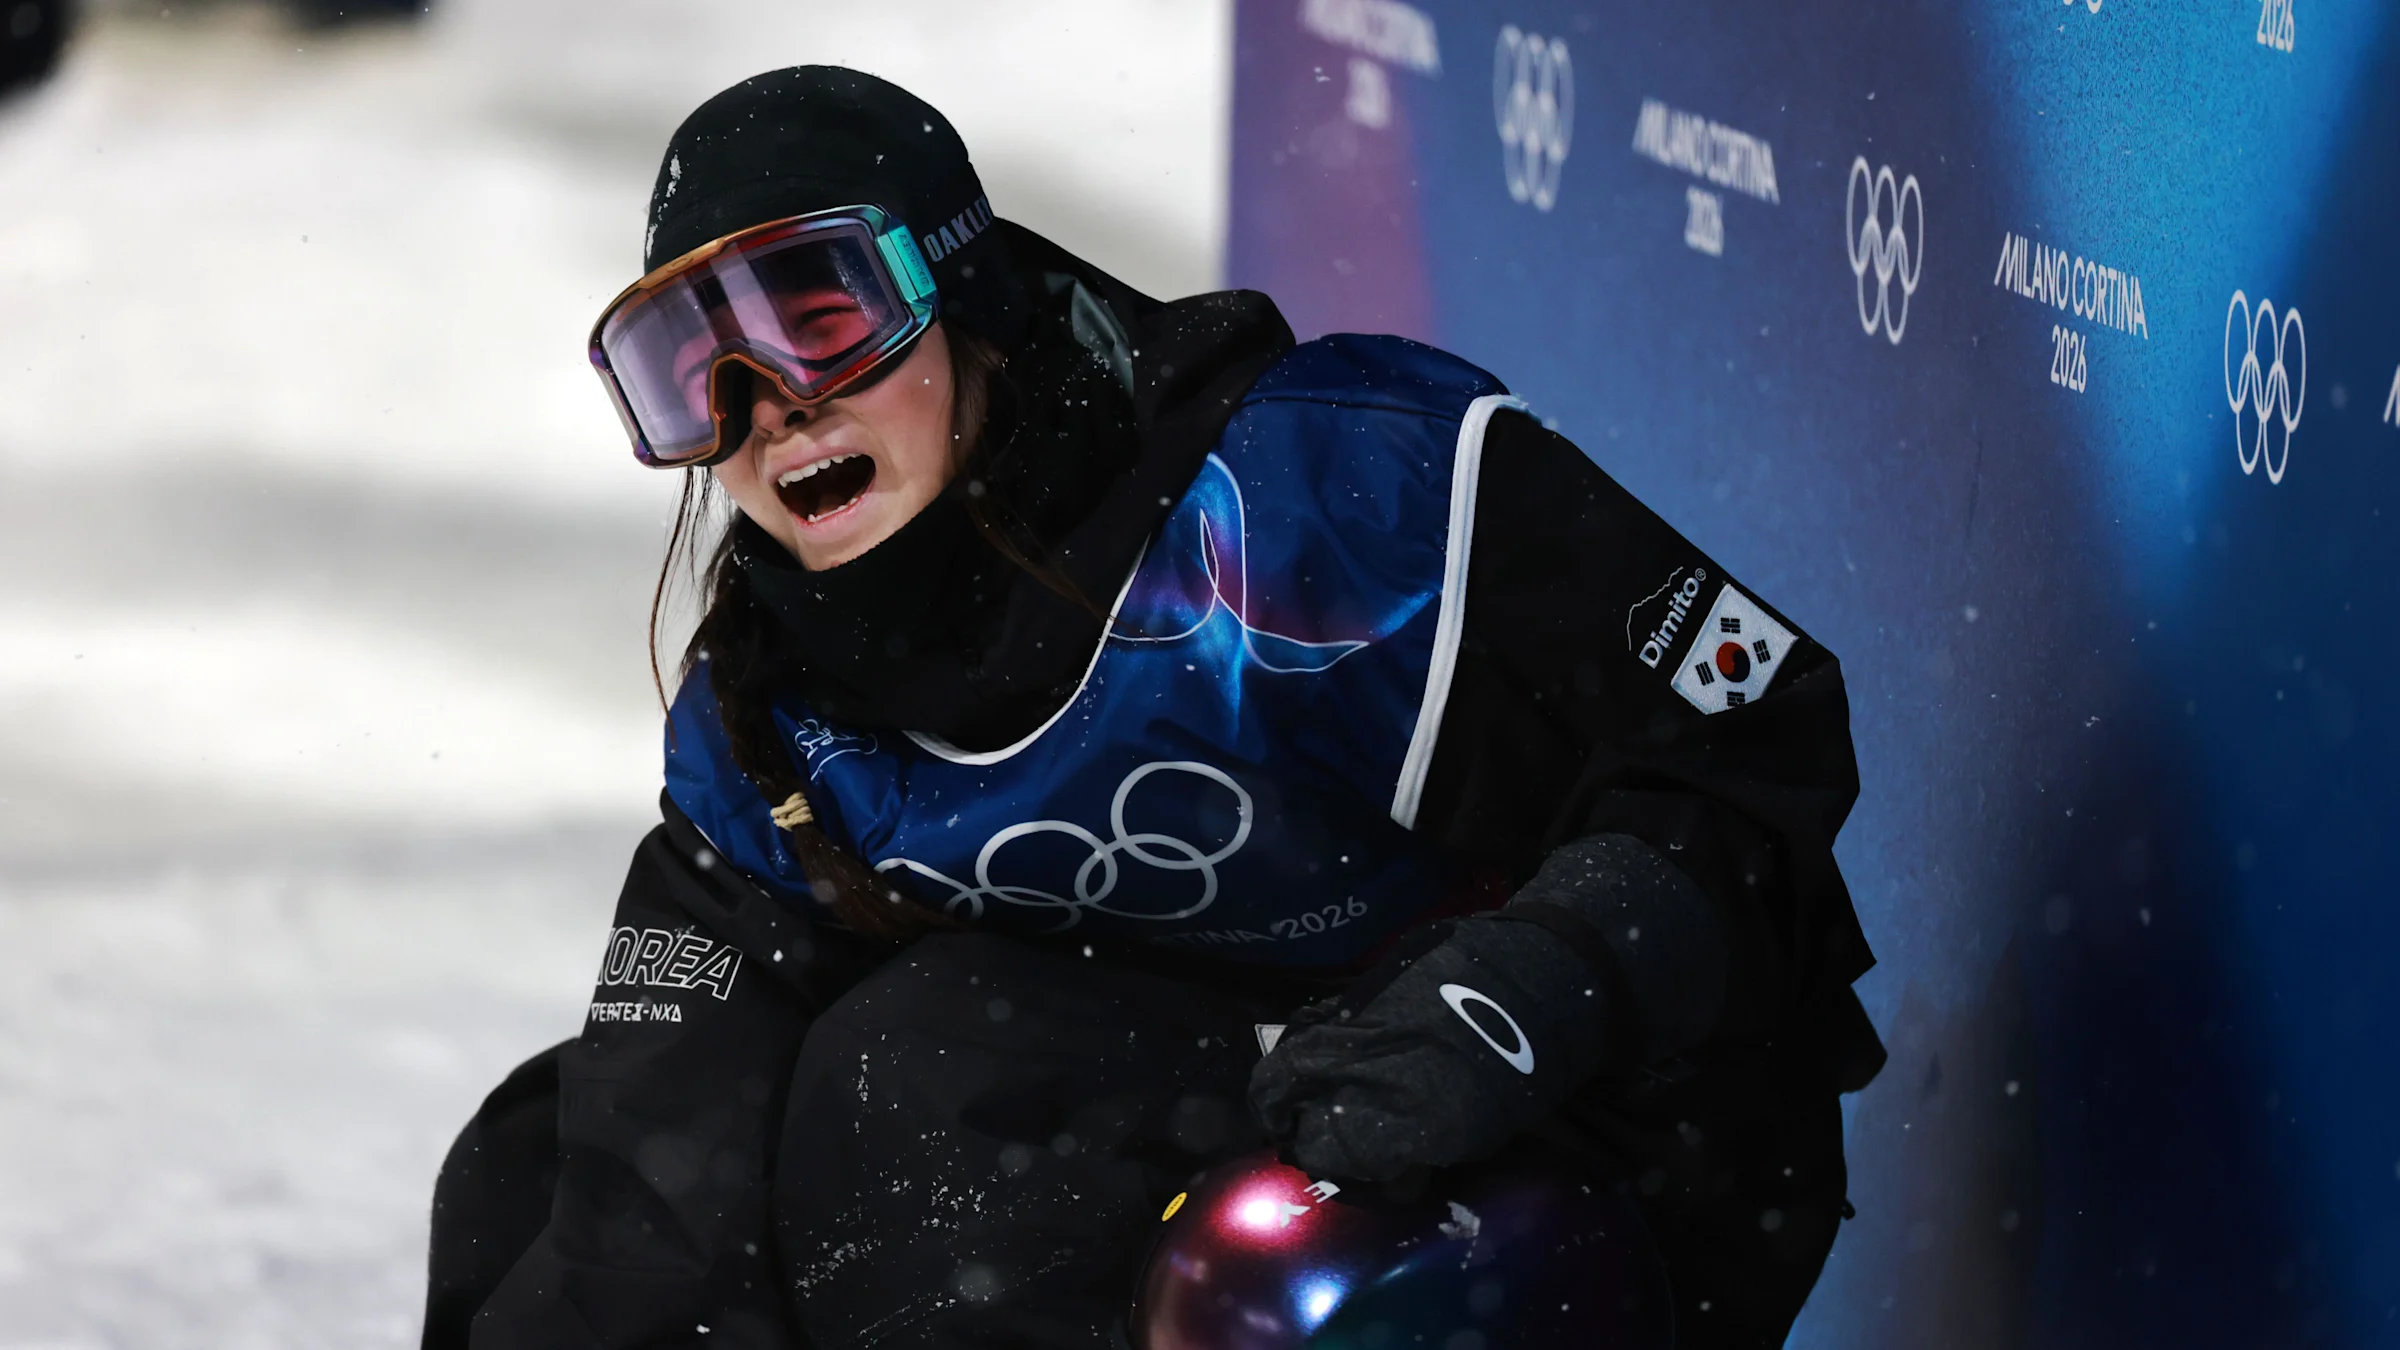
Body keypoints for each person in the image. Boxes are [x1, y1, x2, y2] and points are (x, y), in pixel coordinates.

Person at [422, 66, 1885, 1350]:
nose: (773, 407)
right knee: (544, 1162)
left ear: (962, 297)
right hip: (1190, 1131)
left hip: (1570, 1149)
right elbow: (655, 1153)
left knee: (930, 1084)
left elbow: (1755, 739)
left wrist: (1520, 993)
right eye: (696, 373)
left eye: (820, 320)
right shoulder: (771, 715)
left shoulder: (1335, 497)